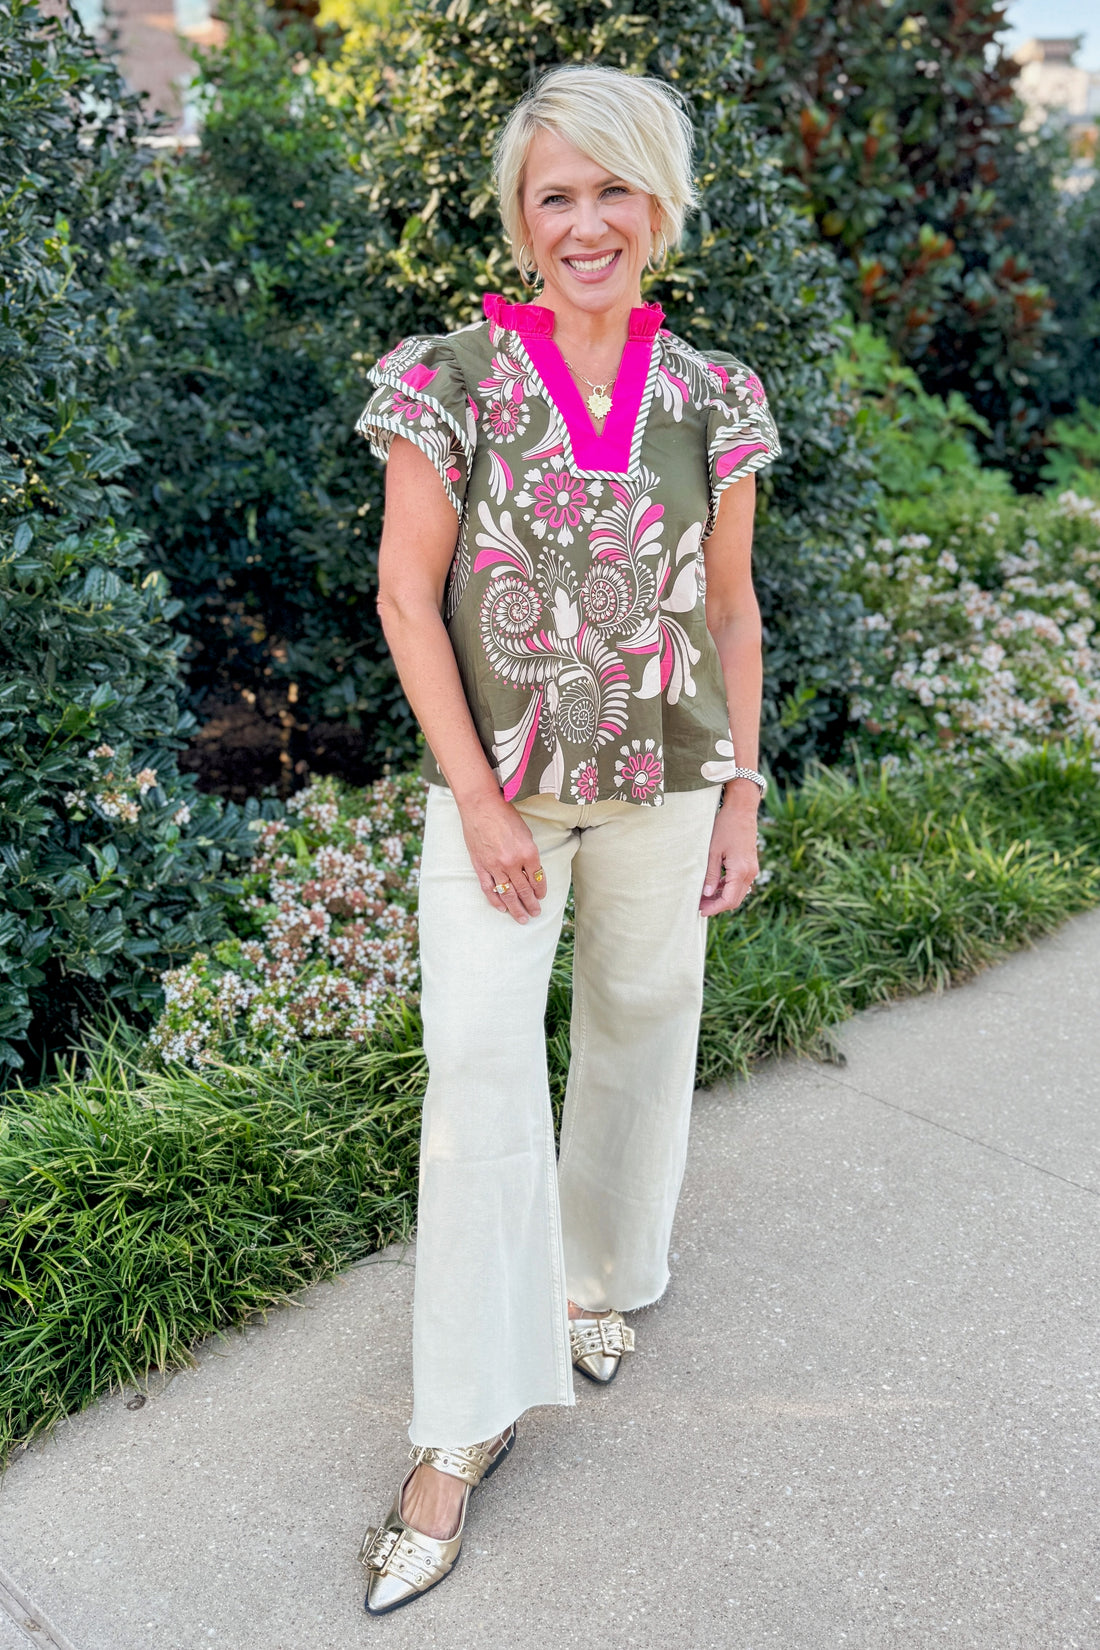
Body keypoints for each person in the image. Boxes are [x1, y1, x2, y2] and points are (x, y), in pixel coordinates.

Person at [353, 62, 781, 1615]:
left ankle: (599, 1274)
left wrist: (741, 786)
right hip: (504, 796)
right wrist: (475, 797)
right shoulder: (449, 379)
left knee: (645, 1019)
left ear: (658, 205)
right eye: (555, 195)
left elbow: (728, 606)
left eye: (612, 190)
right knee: (479, 1066)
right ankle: (457, 1428)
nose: (585, 222)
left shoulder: (714, 393)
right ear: (520, 218)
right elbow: (407, 597)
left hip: (670, 779)